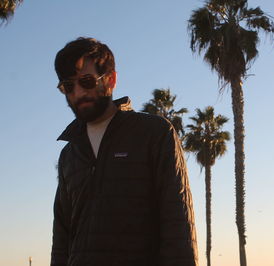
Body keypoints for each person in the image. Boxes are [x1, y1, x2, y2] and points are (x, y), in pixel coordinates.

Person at [51, 37, 198, 266]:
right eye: (68, 86)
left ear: (111, 79)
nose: (78, 92)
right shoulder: (69, 154)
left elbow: (177, 223)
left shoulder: (153, 133)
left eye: (87, 81)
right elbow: (62, 238)